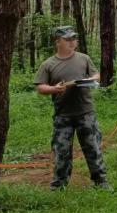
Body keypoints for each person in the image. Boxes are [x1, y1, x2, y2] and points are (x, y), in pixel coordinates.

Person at [34, 26, 111, 191]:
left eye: (74, 39)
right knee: (61, 151)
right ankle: (59, 185)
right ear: (58, 42)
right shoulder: (48, 64)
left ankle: (101, 182)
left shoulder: (84, 59)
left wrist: (90, 79)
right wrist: (54, 89)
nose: (72, 42)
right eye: (68, 39)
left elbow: (97, 76)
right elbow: (40, 87)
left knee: (93, 147)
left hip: (86, 112)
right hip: (63, 115)